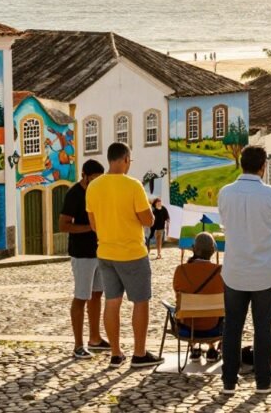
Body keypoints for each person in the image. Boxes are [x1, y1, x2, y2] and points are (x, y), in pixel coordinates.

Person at [217, 145, 271, 395]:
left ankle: (229, 381)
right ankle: (263, 381)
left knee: (232, 326)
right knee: (263, 327)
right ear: (263, 166)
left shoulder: (225, 193)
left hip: (235, 270)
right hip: (264, 272)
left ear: (242, 164)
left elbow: (225, 222)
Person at [86, 142, 165, 369]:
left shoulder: (93, 187)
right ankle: (139, 353)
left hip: (106, 252)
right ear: (126, 159)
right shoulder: (133, 185)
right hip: (132, 253)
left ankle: (116, 353)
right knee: (140, 302)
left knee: (112, 302)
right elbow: (148, 220)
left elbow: (93, 225)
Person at [60, 160, 111, 359]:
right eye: (94, 179)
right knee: (81, 296)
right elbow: (63, 225)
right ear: (84, 176)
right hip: (81, 254)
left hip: (100, 250)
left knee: (97, 294)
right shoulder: (74, 194)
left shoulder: (100, 192)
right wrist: (90, 228)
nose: (97, 183)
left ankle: (95, 338)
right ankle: (78, 345)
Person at [172, 232, 224, 361]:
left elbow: (177, 292)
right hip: (214, 328)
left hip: (187, 329)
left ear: (193, 249)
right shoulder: (222, 271)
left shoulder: (181, 270)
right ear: (213, 251)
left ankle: (194, 346)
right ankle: (212, 348)